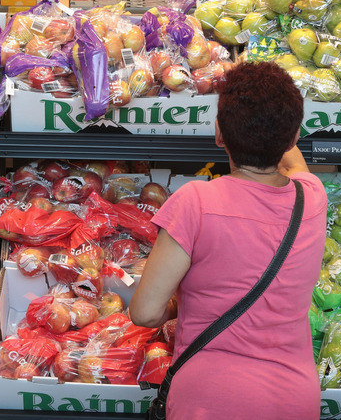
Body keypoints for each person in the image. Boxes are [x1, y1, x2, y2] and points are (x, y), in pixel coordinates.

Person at [129, 61, 327, 419]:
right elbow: (294, 163)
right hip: (294, 399)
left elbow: (144, 313)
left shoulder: (195, 203)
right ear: (295, 136)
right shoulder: (311, 197)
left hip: (209, 399)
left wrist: (181, 300)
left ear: (218, 134)